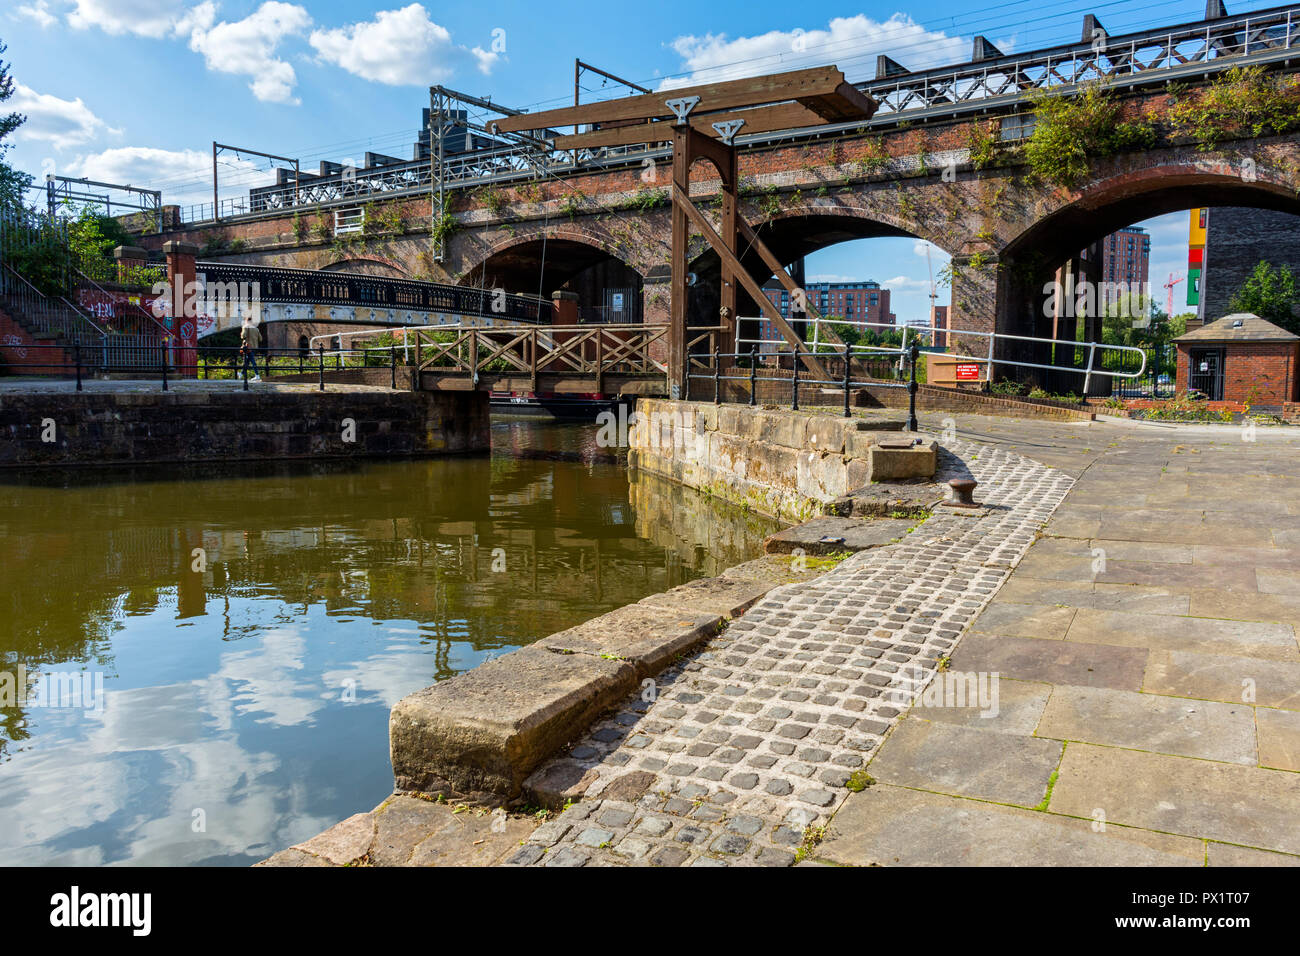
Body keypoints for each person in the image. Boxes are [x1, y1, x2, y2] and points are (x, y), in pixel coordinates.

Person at [240, 317, 262, 382]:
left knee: (251, 361)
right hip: (254, 347)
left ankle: (257, 375)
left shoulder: (245, 327)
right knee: (247, 360)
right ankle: (241, 374)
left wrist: (242, 332)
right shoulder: (256, 329)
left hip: (248, 347)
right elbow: (260, 339)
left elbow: (243, 336)